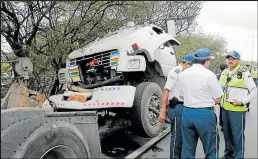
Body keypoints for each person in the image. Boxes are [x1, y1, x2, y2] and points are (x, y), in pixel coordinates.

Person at [179, 48, 222, 159]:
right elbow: (218, 98)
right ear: (206, 61)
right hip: (205, 114)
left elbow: (181, 95)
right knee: (211, 149)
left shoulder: (183, 74)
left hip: (187, 113)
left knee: (187, 148)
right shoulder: (209, 74)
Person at [219, 50, 257, 159]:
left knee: (237, 135)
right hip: (224, 108)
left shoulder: (244, 73)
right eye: (229, 59)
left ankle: (238, 156)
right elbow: (220, 87)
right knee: (227, 134)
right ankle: (228, 155)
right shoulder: (225, 71)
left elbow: (254, 91)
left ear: (238, 60)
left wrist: (242, 102)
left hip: (237, 110)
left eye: (233, 59)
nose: (230, 61)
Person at [159, 53, 195, 159]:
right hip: (177, 107)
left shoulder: (185, 73)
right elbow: (166, 91)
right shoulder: (175, 72)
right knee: (177, 138)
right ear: (188, 64)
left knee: (184, 137)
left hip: (185, 107)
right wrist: (163, 110)